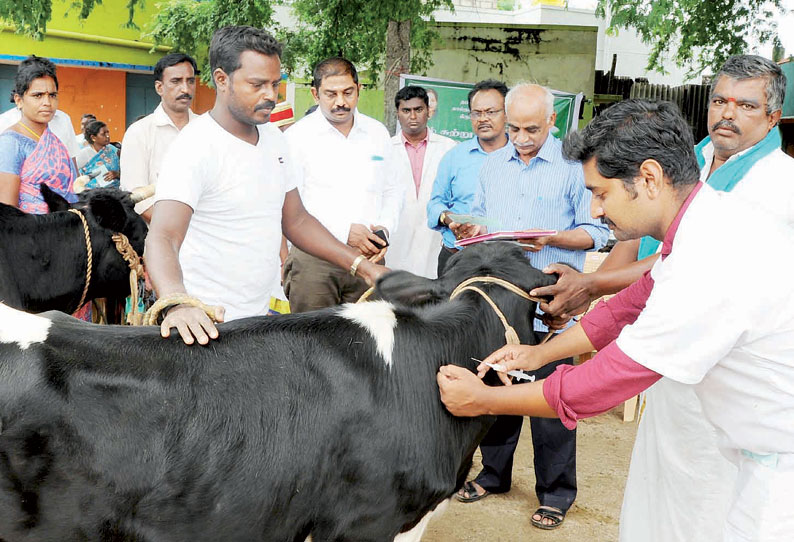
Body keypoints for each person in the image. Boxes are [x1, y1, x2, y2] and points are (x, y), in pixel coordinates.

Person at [437, 98, 794, 542]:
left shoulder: (709, 259)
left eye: (600, 193)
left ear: (648, 178)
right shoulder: (704, 223)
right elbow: (628, 306)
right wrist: (538, 351)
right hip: (753, 449)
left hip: (779, 471)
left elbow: (606, 381)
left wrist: (483, 400)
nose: (595, 212)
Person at [527, 55, 794, 542]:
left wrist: (486, 400)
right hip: (672, 368)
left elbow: (677, 270)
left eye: (745, 105)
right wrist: (547, 346)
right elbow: (646, 271)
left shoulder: (778, 187)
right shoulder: (692, 161)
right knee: (662, 500)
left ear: (773, 117)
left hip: (736, 397)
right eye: (719, 100)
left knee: (711, 506)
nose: (727, 113)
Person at [144, 26, 385, 345]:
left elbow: (297, 220)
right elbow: (163, 235)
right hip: (202, 326)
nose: (271, 95)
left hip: (257, 324)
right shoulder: (196, 146)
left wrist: (362, 266)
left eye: (275, 84)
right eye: (257, 85)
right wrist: (177, 302)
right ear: (222, 79)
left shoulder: (275, 139)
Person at [456, 83, 609, 530]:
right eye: (515, 127)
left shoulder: (573, 167)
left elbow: (597, 232)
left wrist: (552, 239)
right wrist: (473, 230)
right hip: (501, 302)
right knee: (499, 388)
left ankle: (556, 493)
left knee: (553, 397)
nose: (521, 137)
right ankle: (493, 474)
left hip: (553, 299)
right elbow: (483, 221)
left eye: (531, 129)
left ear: (552, 122)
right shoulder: (491, 166)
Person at [282, 57, 402, 312]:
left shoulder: (377, 133)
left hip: (369, 258)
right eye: (331, 94)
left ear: (359, 89)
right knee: (313, 344)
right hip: (315, 261)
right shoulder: (297, 138)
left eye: (348, 92)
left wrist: (385, 227)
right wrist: (343, 231)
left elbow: (392, 189)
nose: (340, 102)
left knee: (365, 345)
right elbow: (291, 204)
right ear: (315, 94)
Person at [426, 79, 510, 276]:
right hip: (457, 259)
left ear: (506, 114)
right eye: (476, 113)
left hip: (505, 262)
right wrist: (450, 219)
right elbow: (435, 203)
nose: (482, 119)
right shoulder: (455, 156)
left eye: (491, 112)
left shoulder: (521, 157)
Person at [120, 53, 198, 222]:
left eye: (190, 81)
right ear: (159, 87)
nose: (185, 89)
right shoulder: (139, 133)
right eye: (176, 81)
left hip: (211, 238)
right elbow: (137, 199)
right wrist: (182, 231)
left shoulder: (208, 130)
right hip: (161, 239)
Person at [388, 85, 456, 278]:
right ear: (397, 114)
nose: (413, 116)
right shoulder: (385, 149)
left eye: (418, 110)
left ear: (428, 111)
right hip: (397, 237)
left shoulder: (449, 148)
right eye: (406, 110)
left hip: (434, 237)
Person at [0, 55, 76, 213]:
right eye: (38, 95)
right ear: (19, 100)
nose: (47, 103)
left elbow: (74, 190)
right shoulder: (11, 143)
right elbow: (7, 214)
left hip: (67, 231)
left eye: (52, 95)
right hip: (30, 235)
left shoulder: (54, 141)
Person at [76, 120, 120, 189]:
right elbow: (73, 171)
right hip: (93, 194)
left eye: (108, 132)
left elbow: (126, 169)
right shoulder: (85, 153)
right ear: (93, 137)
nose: (107, 136)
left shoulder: (113, 149)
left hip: (115, 192)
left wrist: (117, 174)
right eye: (103, 134)